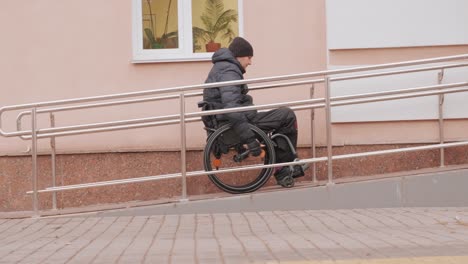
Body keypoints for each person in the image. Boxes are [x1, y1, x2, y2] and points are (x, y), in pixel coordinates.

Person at [202, 37, 308, 188]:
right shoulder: (229, 71)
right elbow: (232, 110)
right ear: (239, 56)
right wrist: (250, 140)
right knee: (287, 116)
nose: (250, 62)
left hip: (233, 122)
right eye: (249, 57)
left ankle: (283, 167)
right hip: (234, 126)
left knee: (281, 117)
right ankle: (284, 169)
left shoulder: (223, 68)